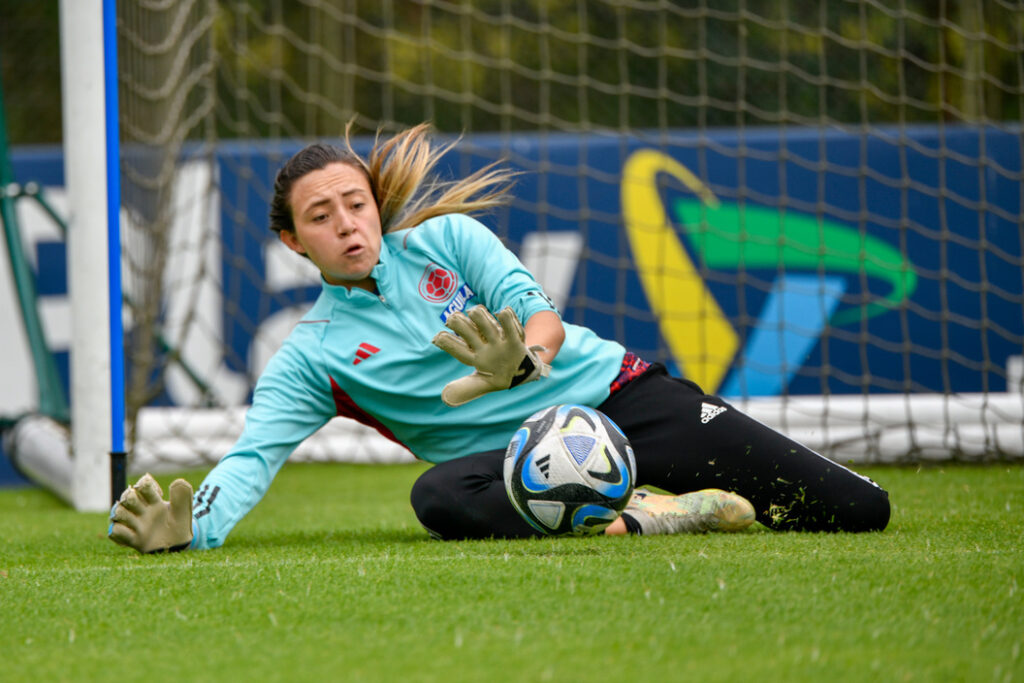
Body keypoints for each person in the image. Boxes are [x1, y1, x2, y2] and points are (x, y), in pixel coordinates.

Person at [108, 123, 890, 553]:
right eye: (322, 216)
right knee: (439, 495)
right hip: (520, 466)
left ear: (376, 205)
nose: (347, 223)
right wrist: (194, 526)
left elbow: (536, 308)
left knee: (861, 511)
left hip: (623, 399)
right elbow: (252, 458)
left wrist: (528, 358)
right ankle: (650, 515)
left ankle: (642, 493)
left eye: (355, 203)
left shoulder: (447, 238)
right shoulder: (312, 356)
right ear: (293, 243)